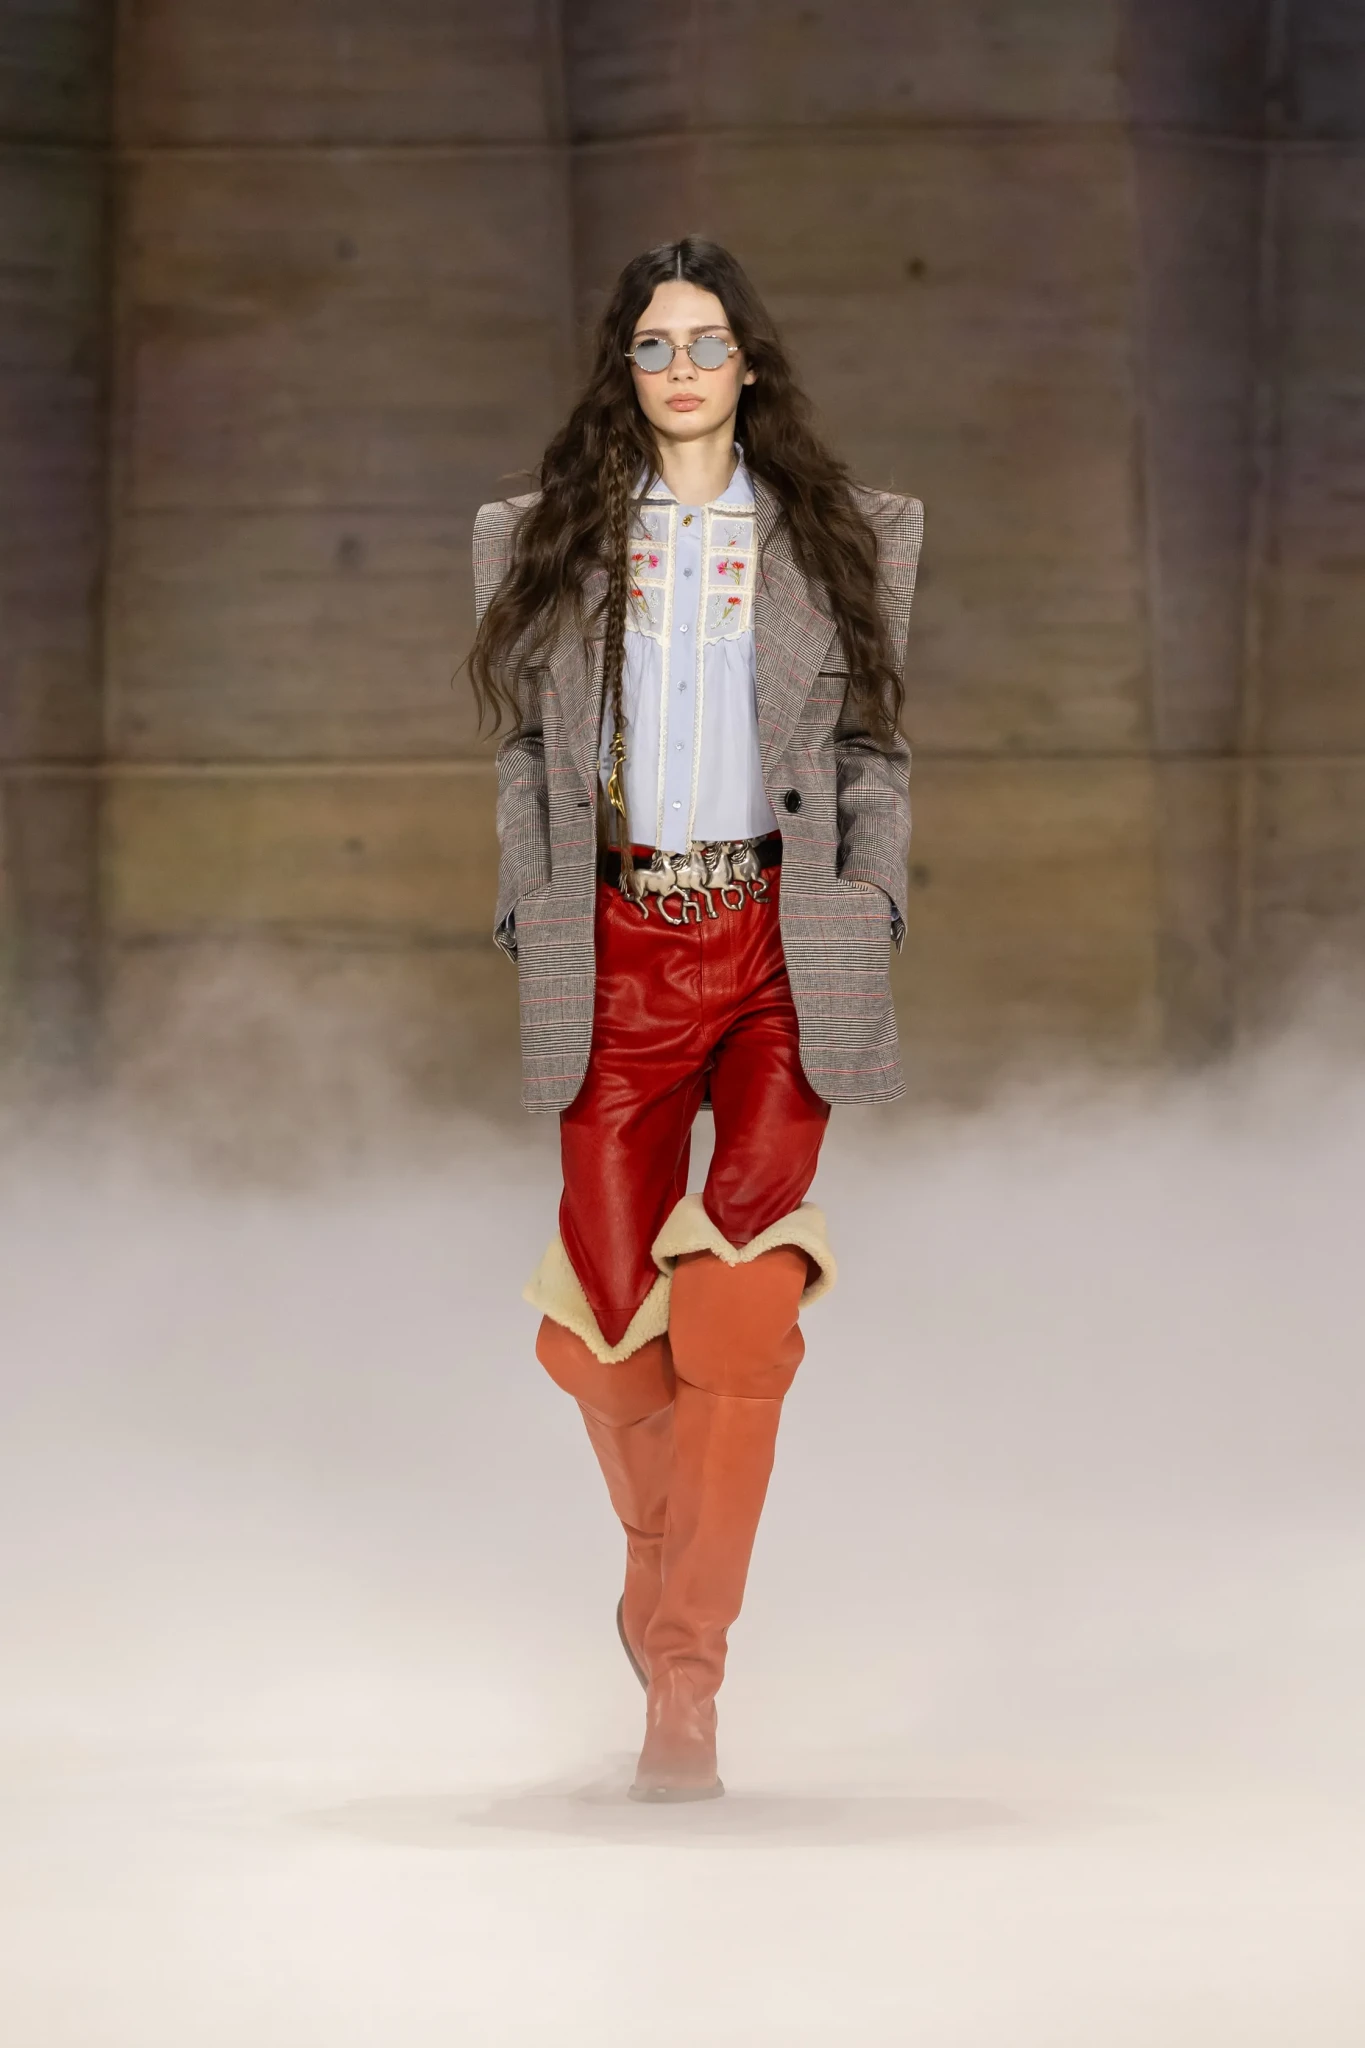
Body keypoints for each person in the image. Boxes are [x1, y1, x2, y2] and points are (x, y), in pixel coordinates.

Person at [468, 237, 923, 1801]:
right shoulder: (534, 540)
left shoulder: (852, 534)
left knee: (736, 1309)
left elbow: (874, 751)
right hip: (616, 944)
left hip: (779, 942)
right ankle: (659, 1573)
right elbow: (524, 762)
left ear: (748, 365)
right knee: (606, 1326)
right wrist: (534, 908)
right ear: (627, 369)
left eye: (707, 342)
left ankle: (686, 1681)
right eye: (655, 344)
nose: (682, 368)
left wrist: (870, 901)